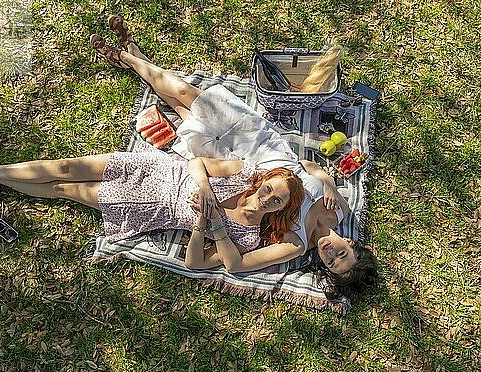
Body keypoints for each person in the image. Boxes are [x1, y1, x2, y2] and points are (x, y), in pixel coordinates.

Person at [88, 15, 378, 297]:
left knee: (184, 113)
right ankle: (126, 56)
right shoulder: (339, 209)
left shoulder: (295, 244)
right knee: (185, 91)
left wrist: (217, 227)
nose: (330, 252)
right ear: (350, 243)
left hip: (241, 174)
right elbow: (306, 165)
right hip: (263, 146)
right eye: (341, 253)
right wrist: (327, 180)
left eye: (331, 262)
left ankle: (133, 55)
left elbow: (236, 265)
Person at [0, 148, 305, 260]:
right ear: (265, 179)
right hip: (151, 167)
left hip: (147, 204)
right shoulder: (241, 173)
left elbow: (203, 263)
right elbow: (196, 163)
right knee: (62, 167)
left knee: (63, 188)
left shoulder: (249, 235)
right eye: (271, 187)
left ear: (282, 209)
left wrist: (206, 223)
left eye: (278, 200)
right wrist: (205, 187)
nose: (269, 196)